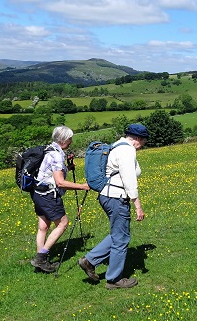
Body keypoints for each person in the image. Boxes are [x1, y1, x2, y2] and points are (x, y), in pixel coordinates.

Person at [78, 124, 147, 289]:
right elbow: (129, 178)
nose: (143, 145)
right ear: (137, 139)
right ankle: (114, 279)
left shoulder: (117, 146)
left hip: (108, 196)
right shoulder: (127, 150)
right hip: (116, 197)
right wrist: (137, 205)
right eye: (144, 141)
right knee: (121, 239)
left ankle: (89, 261)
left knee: (119, 234)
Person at [30, 126, 90, 273]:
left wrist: (67, 167)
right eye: (70, 139)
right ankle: (41, 257)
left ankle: (41, 260)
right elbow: (60, 182)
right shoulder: (56, 155)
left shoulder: (49, 149)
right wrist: (82, 186)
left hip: (37, 192)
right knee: (63, 224)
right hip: (48, 195)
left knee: (43, 226)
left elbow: (49, 172)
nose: (71, 141)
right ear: (63, 140)